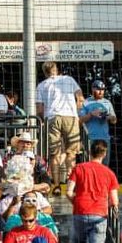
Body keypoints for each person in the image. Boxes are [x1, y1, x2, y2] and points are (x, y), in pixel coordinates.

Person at [67, 138, 119, 243]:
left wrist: (76, 203)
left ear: (90, 152)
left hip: (80, 212)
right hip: (100, 214)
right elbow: (114, 201)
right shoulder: (109, 173)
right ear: (104, 154)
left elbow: (69, 191)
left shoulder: (79, 168)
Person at [36, 61, 84, 193]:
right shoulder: (68, 79)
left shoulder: (41, 85)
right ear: (56, 69)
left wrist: (42, 119)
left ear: (45, 72)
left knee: (54, 154)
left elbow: (39, 109)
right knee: (71, 152)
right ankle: (71, 183)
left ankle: (56, 185)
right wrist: (77, 111)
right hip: (70, 116)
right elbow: (80, 98)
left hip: (52, 117)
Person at [78, 81, 117, 160]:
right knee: (89, 164)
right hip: (90, 139)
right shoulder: (85, 102)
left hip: (105, 139)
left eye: (102, 90)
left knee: (105, 166)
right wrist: (91, 114)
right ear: (93, 89)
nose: (101, 92)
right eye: (98, 89)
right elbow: (79, 121)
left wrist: (108, 117)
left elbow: (114, 120)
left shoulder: (107, 102)